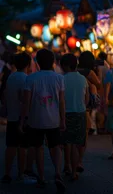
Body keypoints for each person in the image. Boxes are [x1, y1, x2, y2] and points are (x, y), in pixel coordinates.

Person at [20, 49, 66, 192]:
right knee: (56, 146)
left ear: (37, 62)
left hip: (36, 120)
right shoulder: (59, 78)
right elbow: (62, 102)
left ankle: (41, 177)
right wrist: (63, 119)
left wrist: (23, 120)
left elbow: (26, 103)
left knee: (38, 148)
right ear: (53, 61)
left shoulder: (30, 79)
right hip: (53, 120)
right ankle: (58, 173)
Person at [1, 52, 33, 183]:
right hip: (22, 119)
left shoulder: (11, 77)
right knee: (23, 148)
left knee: (11, 146)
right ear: (28, 64)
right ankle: (21, 174)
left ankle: (7, 173)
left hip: (12, 116)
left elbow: (4, 96)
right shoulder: (26, 79)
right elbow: (25, 100)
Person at [60, 54, 88, 182]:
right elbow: (86, 99)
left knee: (67, 143)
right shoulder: (83, 79)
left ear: (65, 66)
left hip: (66, 114)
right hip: (80, 114)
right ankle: (74, 172)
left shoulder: (62, 79)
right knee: (76, 144)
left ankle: (67, 166)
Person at [77, 51, 101, 171]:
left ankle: (69, 163)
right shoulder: (89, 72)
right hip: (85, 108)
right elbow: (99, 84)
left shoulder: (75, 71)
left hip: (74, 106)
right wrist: (100, 73)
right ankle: (79, 161)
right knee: (83, 137)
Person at [95, 52, 110, 134]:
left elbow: (99, 79)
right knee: (106, 109)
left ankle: (100, 127)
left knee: (100, 109)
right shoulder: (108, 66)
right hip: (106, 89)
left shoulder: (100, 67)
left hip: (101, 89)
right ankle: (106, 127)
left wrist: (98, 88)